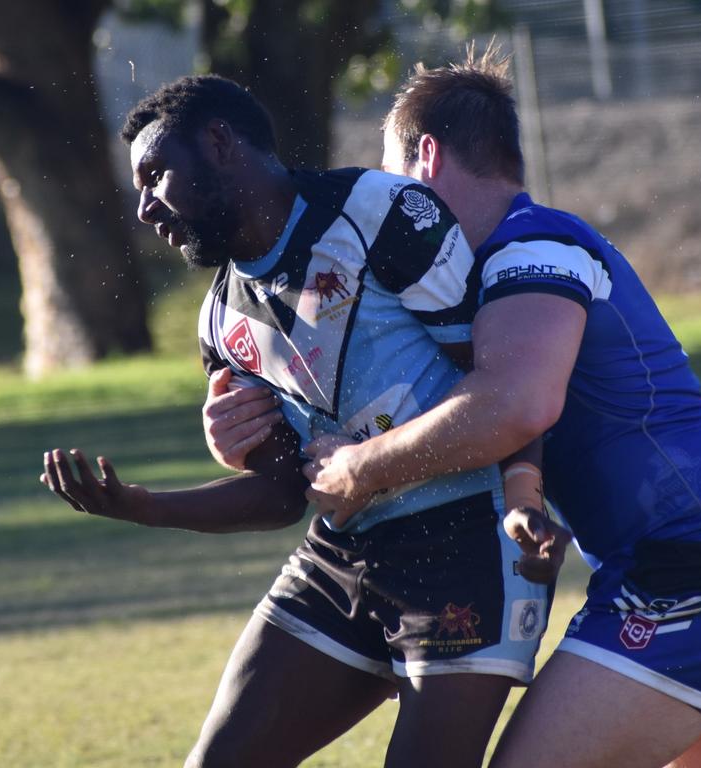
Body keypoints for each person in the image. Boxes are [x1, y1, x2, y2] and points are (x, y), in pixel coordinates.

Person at [204, 48, 701, 768]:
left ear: (426, 159)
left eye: (392, 177)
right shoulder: (499, 268)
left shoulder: (528, 247)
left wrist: (359, 470)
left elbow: (515, 404)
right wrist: (245, 428)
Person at [41, 73, 559, 768]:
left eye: (155, 175)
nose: (143, 209)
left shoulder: (382, 212)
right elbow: (285, 493)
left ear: (220, 141)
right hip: (343, 555)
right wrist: (143, 506)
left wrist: (525, 492)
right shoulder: (220, 321)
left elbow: (503, 386)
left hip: (469, 542)